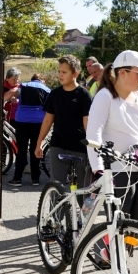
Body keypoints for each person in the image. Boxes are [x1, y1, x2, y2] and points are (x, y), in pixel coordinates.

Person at [86, 50, 138, 274]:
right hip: (112, 171)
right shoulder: (105, 97)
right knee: (117, 223)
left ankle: (107, 250)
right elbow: (93, 136)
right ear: (122, 72)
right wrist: (99, 169)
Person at [35, 55, 92, 189]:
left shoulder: (84, 95)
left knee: (81, 188)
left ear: (75, 74)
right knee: (56, 185)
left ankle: (81, 210)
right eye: (59, 71)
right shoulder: (54, 94)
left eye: (64, 72)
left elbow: (87, 122)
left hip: (79, 146)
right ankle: (57, 210)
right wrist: (39, 143)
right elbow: (48, 120)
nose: (60, 75)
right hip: (58, 144)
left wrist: (92, 146)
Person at [8, 73, 50, 186]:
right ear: (42, 80)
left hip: (21, 120)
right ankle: (35, 179)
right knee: (35, 149)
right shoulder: (46, 89)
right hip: (38, 121)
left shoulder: (24, 86)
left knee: (21, 150)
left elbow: (13, 93)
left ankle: (17, 179)